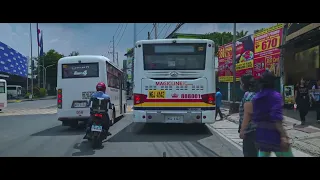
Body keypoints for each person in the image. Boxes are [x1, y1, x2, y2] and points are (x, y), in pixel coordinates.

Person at [252, 70, 293, 157]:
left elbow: (255, 119)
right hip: (275, 137)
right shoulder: (275, 96)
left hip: (261, 136)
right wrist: (283, 136)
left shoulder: (256, 98)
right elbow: (276, 119)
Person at [238, 74, 258, 157]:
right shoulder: (257, 94)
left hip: (251, 132)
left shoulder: (248, 95)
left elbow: (247, 114)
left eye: (240, 83)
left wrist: (242, 130)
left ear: (244, 84)